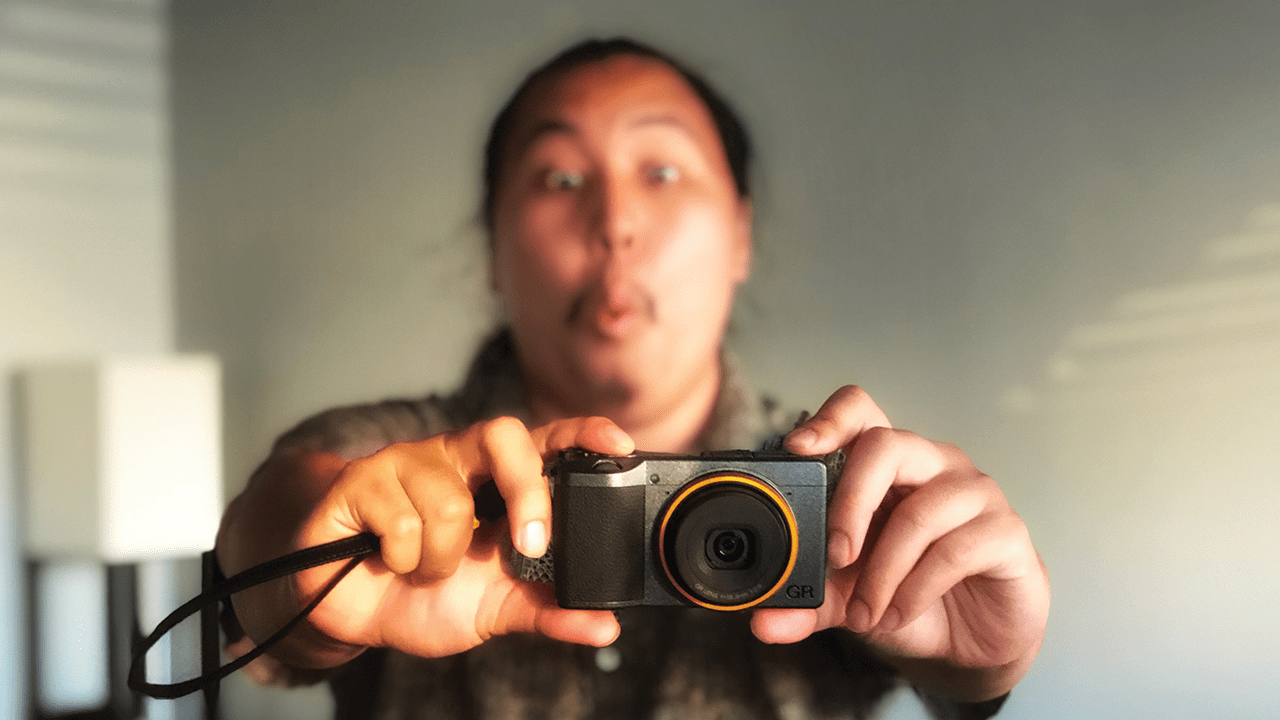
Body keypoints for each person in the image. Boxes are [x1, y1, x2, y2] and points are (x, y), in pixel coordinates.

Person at [216, 37, 1050, 720]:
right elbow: (280, 510)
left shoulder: (845, 497)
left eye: (662, 172)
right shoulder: (392, 458)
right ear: (494, 251)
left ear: (740, 236)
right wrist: (306, 568)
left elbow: (935, 653)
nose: (615, 222)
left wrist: (976, 668)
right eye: (560, 178)